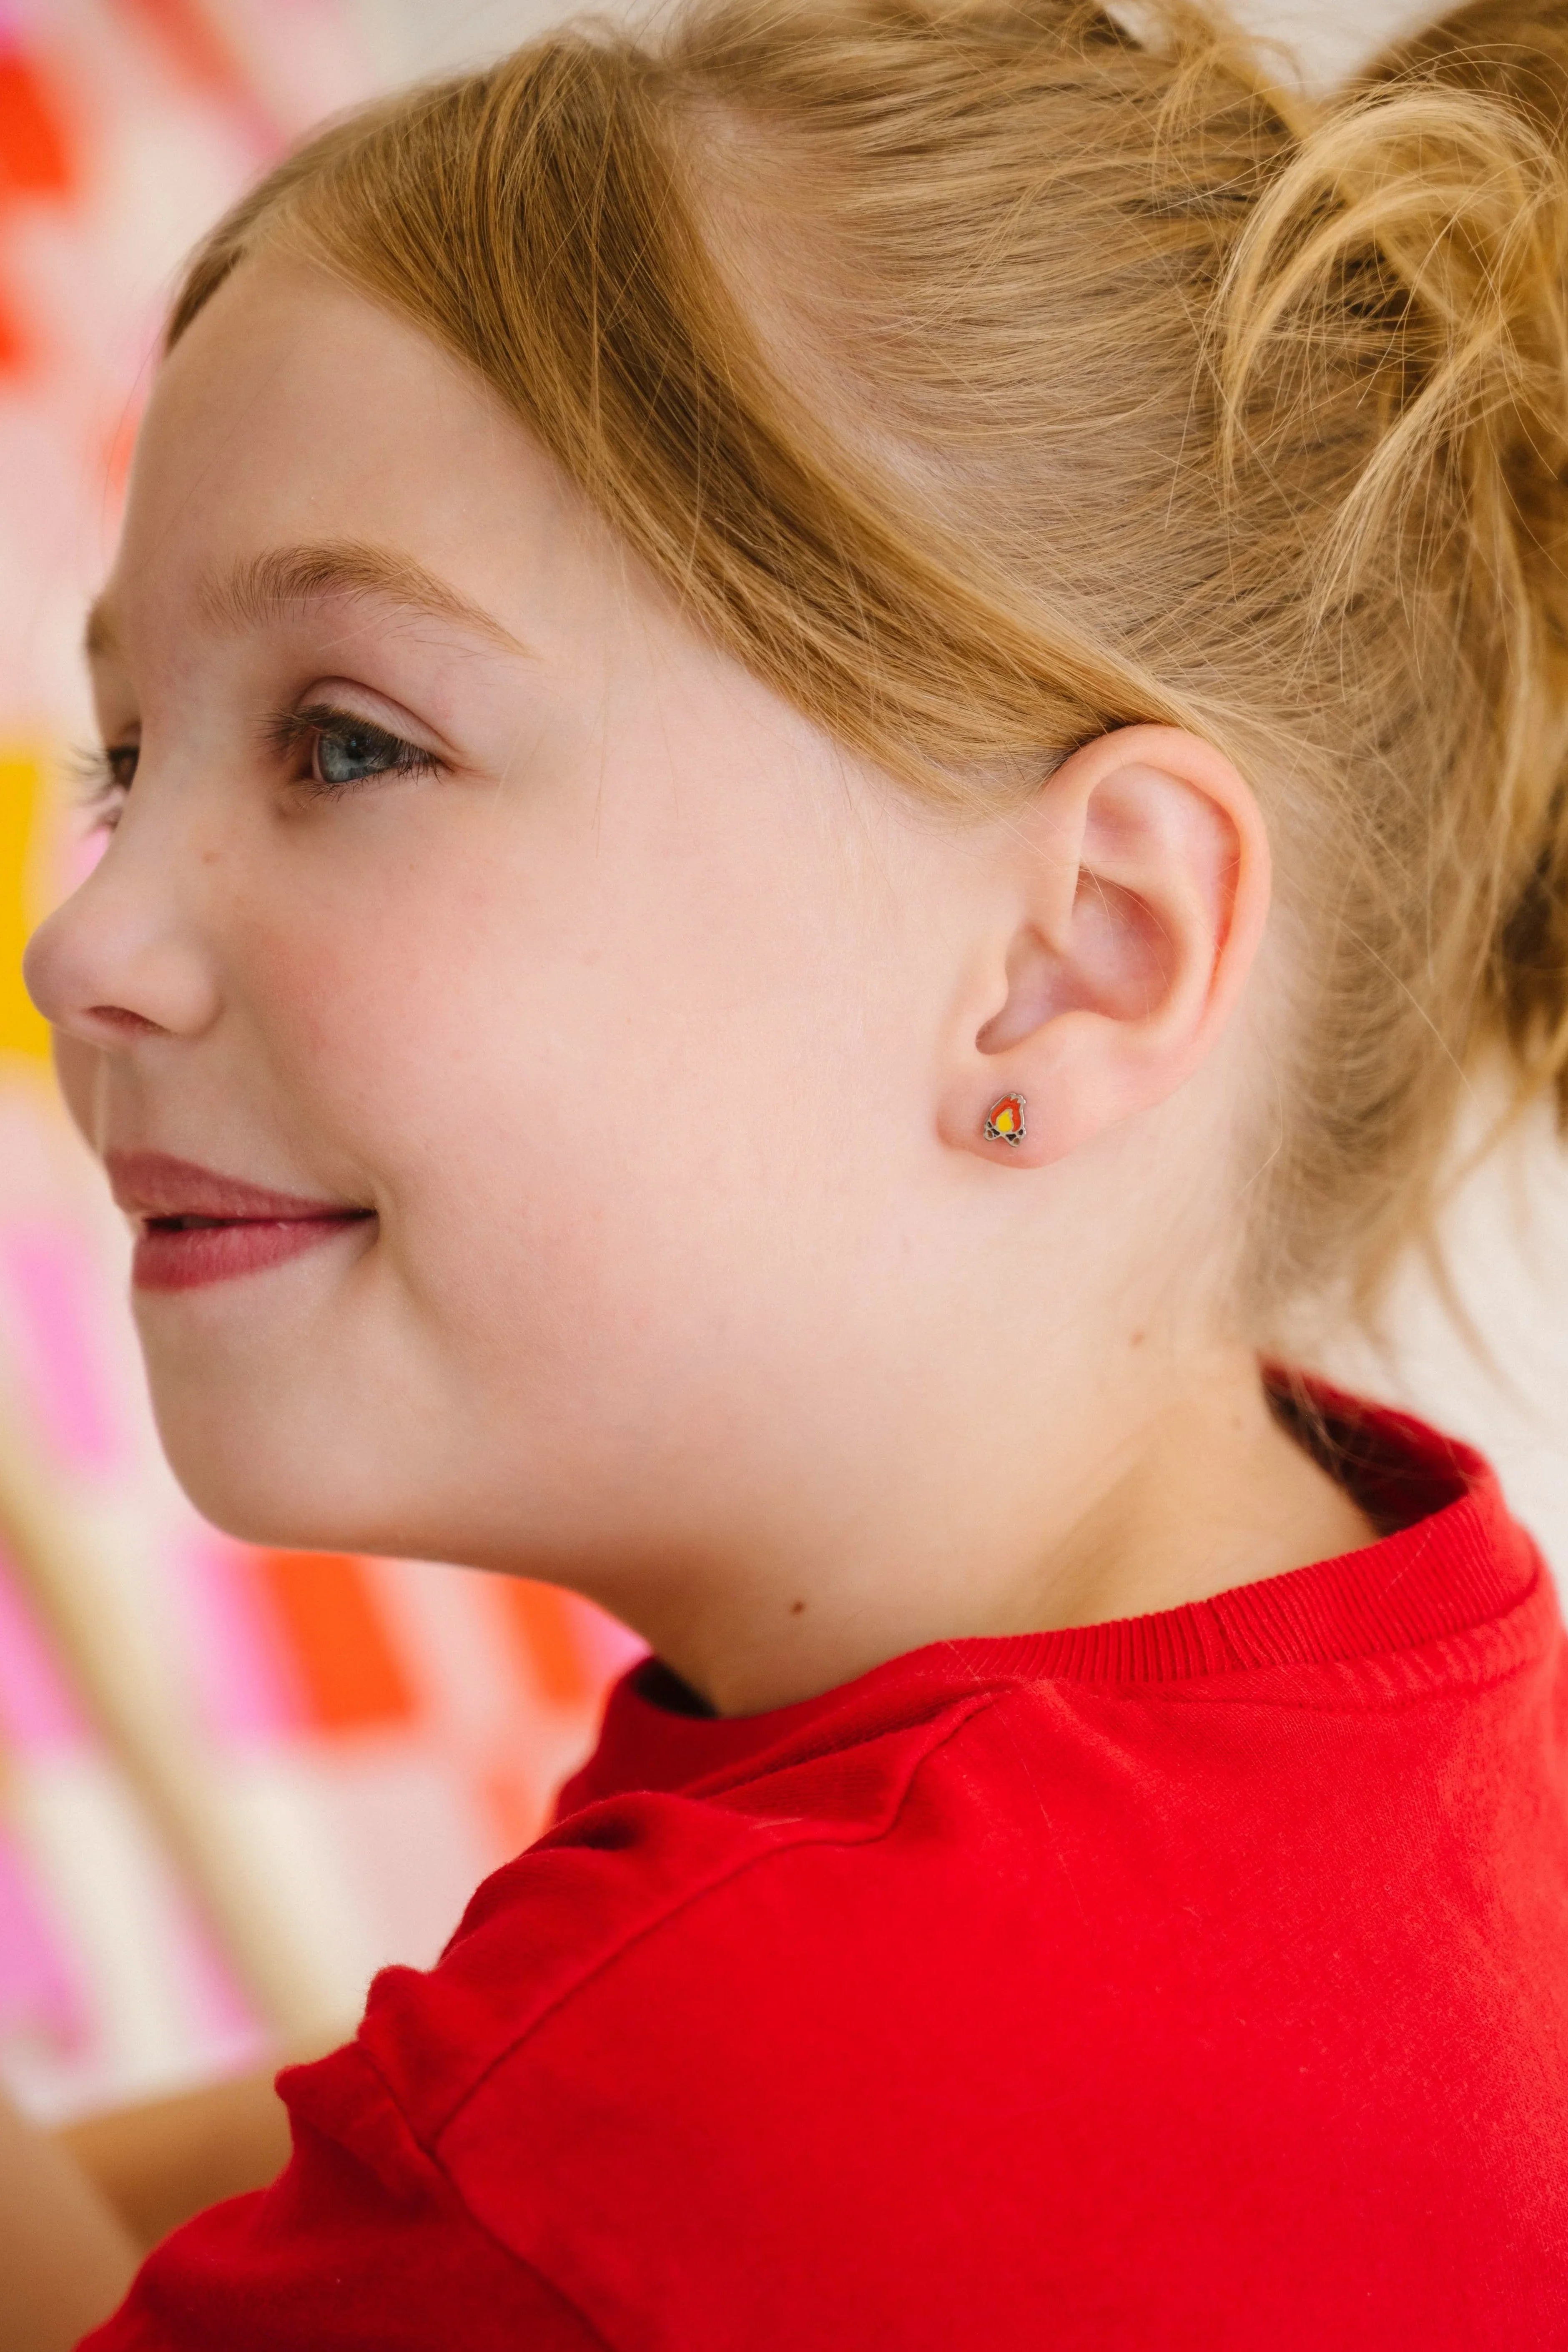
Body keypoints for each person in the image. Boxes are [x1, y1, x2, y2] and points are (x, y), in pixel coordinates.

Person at [6, 0, 1568, 2341]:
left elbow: (538, 2201)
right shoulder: (1410, 1729)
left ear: (1071, 955)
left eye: (346, 741)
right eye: (136, 751)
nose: (83, 939)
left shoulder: (696, 2117)